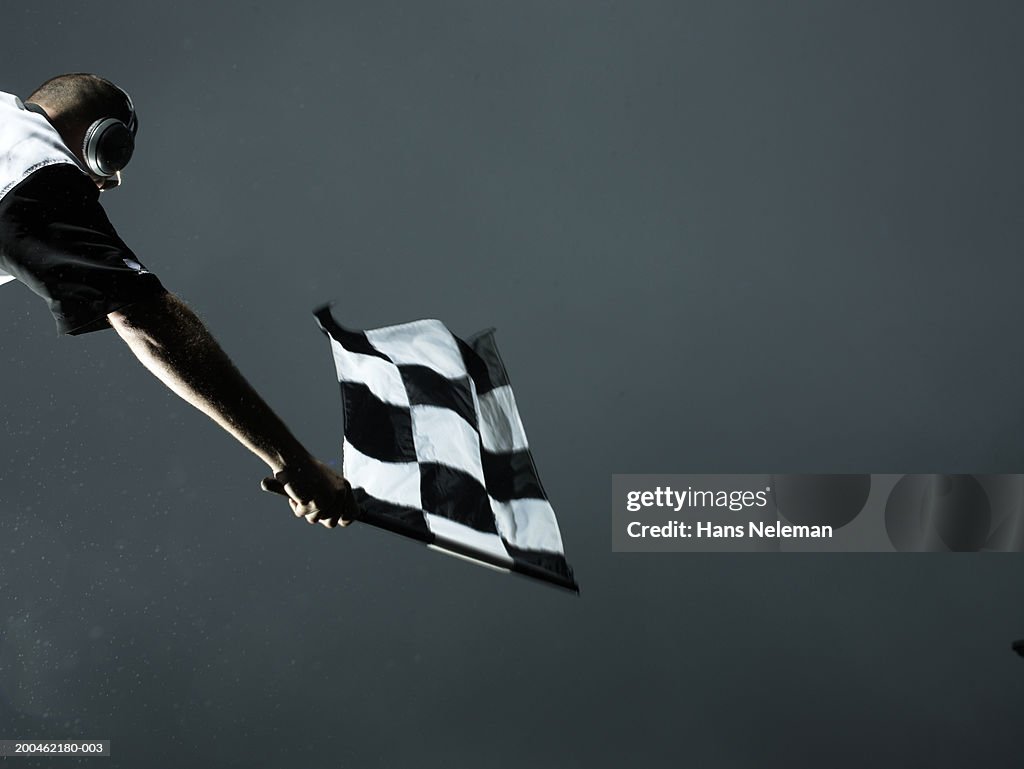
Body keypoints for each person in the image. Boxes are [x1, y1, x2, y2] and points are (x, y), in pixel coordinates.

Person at [0, 73, 356, 528]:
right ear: (99, 139)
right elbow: (146, 320)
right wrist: (292, 460)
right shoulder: (27, 156)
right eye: (114, 156)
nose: (110, 182)